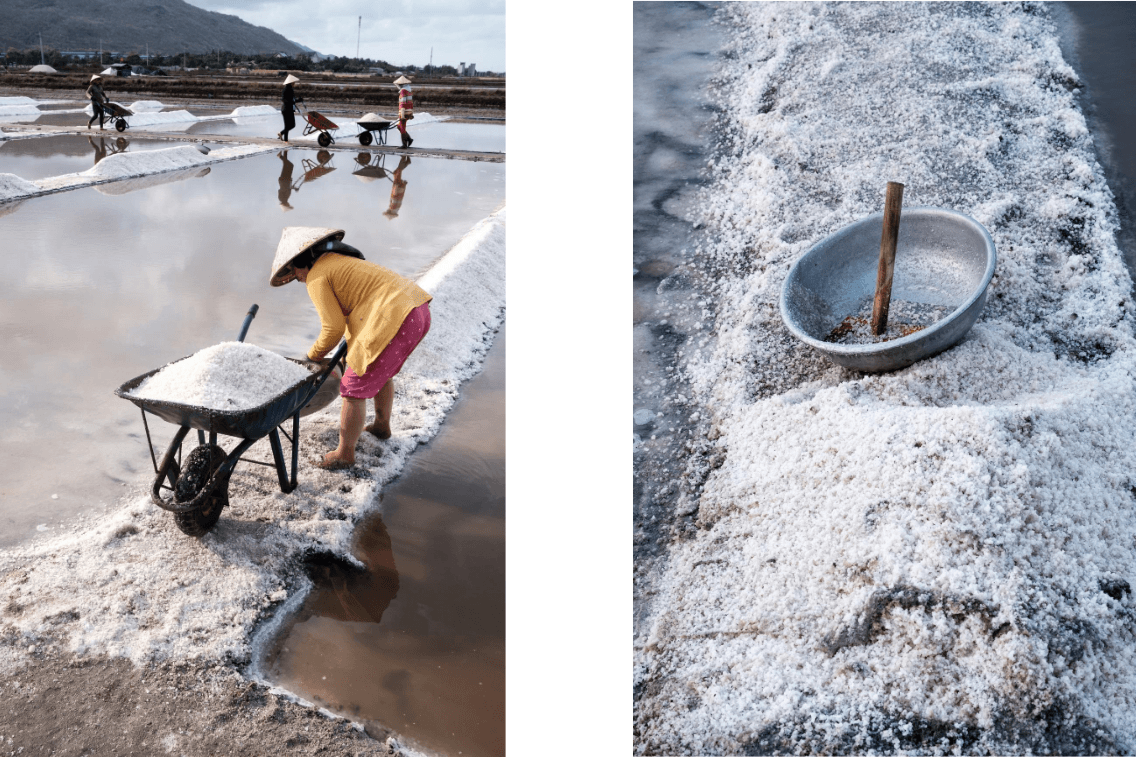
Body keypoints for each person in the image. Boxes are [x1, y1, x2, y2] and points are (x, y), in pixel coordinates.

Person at [270, 227, 433, 470]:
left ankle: (344, 454)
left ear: (303, 261)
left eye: (294, 272)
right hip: (416, 310)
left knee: (352, 389)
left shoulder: (317, 276)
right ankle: (381, 426)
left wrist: (312, 357)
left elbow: (332, 328)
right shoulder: (340, 263)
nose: (297, 278)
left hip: (393, 317)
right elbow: (356, 312)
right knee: (380, 373)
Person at [278, 74, 302, 142]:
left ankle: (281, 134)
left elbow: (292, 100)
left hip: (290, 109)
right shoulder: (286, 89)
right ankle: (285, 140)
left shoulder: (291, 89)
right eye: (293, 82)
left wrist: (298, 100)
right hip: (286, 109)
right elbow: (284, 99)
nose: (294, 83)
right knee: (288, 125)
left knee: (292, 125)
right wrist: (291, 102)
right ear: (290, 82)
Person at [394, 75, 414, 148]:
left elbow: (402, 104)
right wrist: (411, 113)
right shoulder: (409, 91)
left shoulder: (403, 91)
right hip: (408, 112)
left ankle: (404, 144)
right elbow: (411, 104)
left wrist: (402, 115)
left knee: (402, 128)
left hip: (404, 113)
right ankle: (409, 139)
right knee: (399, 126)